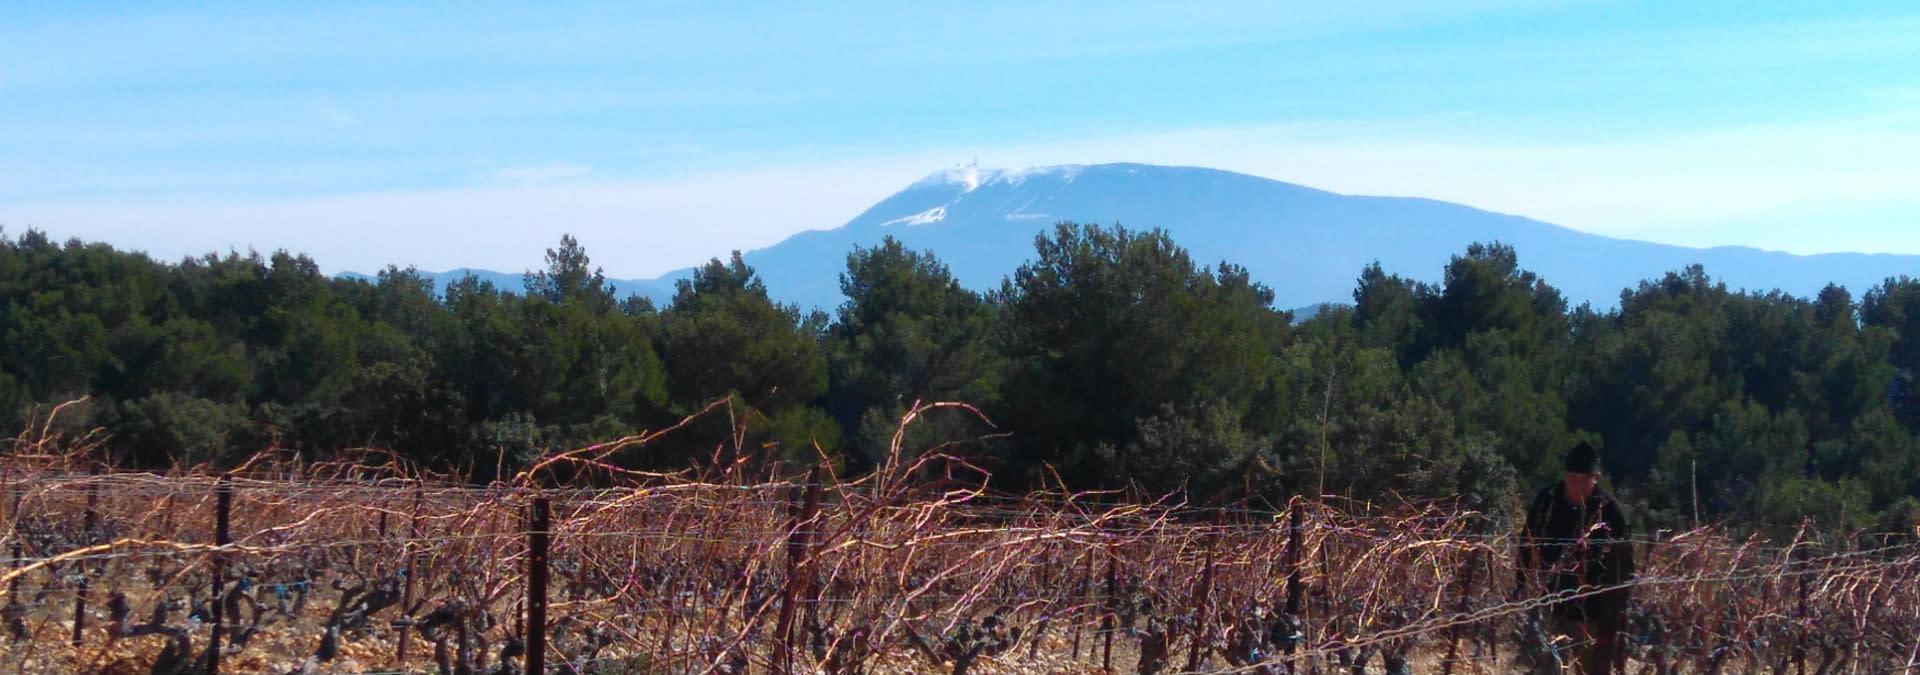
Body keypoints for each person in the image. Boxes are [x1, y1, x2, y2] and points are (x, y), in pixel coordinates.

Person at [1513, 441, 1636, 675]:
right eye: (1573, 478)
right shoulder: (1547, 501)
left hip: (1590, 607)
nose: (1577, 485)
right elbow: (1527, 541)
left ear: (1596, 479)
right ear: (1564, 476)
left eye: (1584, 479)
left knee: (1587, 666)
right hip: (1547, 598)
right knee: (1545, 665)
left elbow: (1624, 562)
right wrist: (1522, 583)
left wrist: (1617, 604)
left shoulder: (1609, 510)